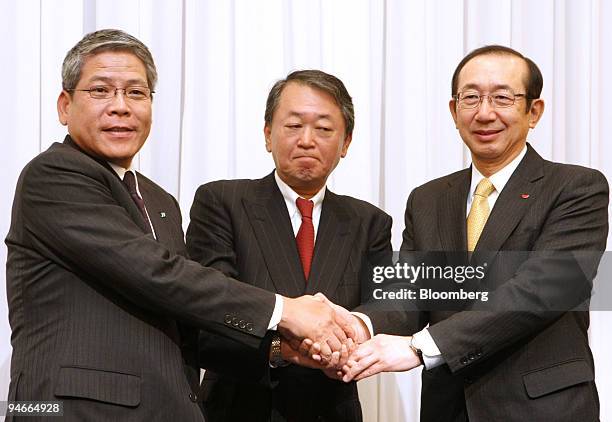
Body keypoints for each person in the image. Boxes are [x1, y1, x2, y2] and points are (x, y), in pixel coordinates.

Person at [5, 29, 352, 422]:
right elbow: (155, 273)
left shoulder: (159, 201)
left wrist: (283, 351)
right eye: (101, 91)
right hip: (74, 410)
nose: (120, 107)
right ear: (65, 106)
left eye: (136, 93)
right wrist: (284, 310)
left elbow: (190, 323)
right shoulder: (52, 175)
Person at [341, 45, 609, 422]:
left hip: (543, 407)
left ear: (534, 111)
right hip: (449, 408)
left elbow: (545, 288)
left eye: (502, 97)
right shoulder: (428, 199)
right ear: (454, 111)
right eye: (471, 98)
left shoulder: (576, 188)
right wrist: (355, 325)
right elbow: (408, 295)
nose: (485, 113)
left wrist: (421, 348)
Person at [186, 70, 392, 422]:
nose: (307, 140)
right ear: (268, 135)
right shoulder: (222, 202)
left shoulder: (369, 222)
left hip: (332, 410)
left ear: (346, 143)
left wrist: (350, 337)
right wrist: (282, 350)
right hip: (238, 408)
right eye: (293, 126)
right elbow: (204, 318)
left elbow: (383, 308)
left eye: (324, 129)